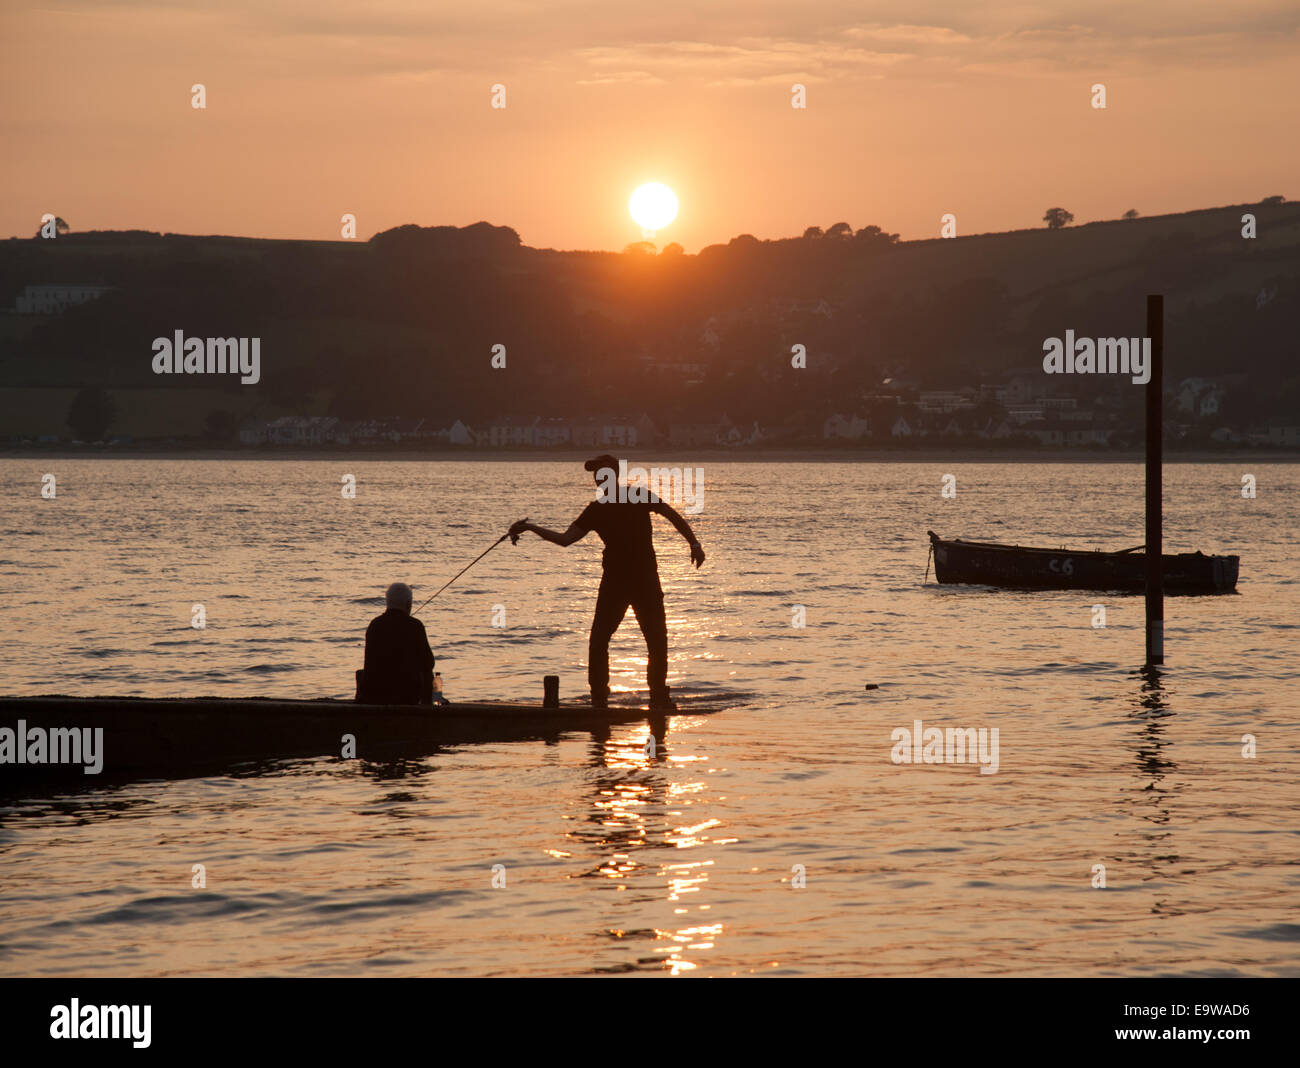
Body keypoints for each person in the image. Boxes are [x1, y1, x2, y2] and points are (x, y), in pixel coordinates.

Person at [509, 455, 705, 710]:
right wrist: (531, 528)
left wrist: (694, 543)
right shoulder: (596, 509)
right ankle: (599, 699)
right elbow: (565, 540)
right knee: (600, 640)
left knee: (656, 640)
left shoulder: (638, 496)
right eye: (596, 475)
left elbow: (672, 516)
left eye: (602, 474)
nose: (598, 479)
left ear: (614, 476)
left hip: (644, 580)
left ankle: (658, 697)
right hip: (615, 582)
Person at [361, 582, 435, 705]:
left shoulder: (375, 625)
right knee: (427, 673)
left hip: (374, 694)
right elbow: (428, 662)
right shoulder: (415, 626)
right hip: (406, 696)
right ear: (408, 604)